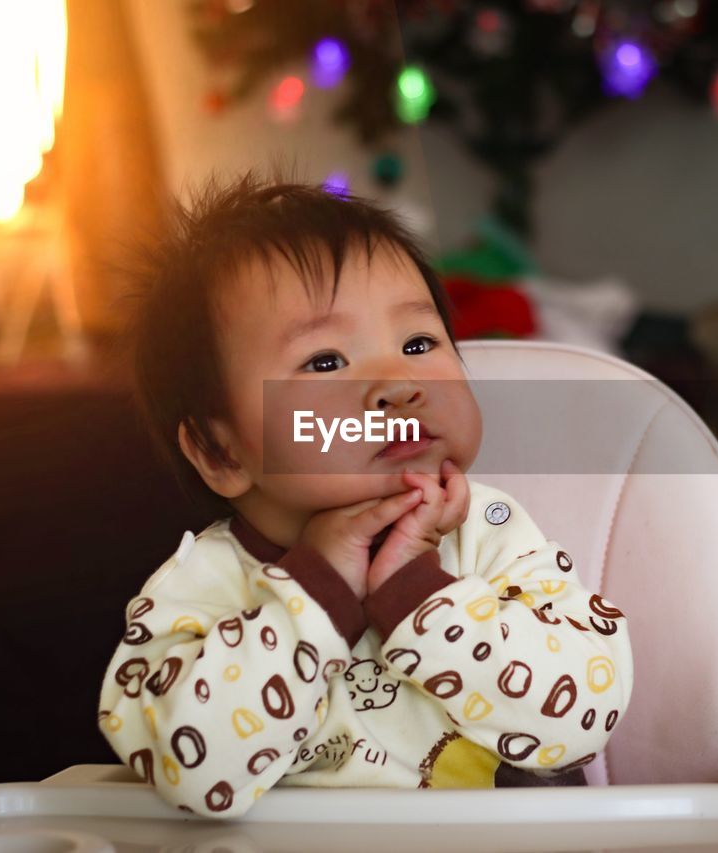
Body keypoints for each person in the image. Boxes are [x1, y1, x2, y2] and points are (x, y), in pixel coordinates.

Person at [97, 169, 633, 818]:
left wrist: (417, 591)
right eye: (325, 361)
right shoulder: (201, 592)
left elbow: (579, 719)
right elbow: (190, 774)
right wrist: (318, 589)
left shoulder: (492, 539)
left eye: (418, 342)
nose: (400, 382)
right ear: (221, 451)